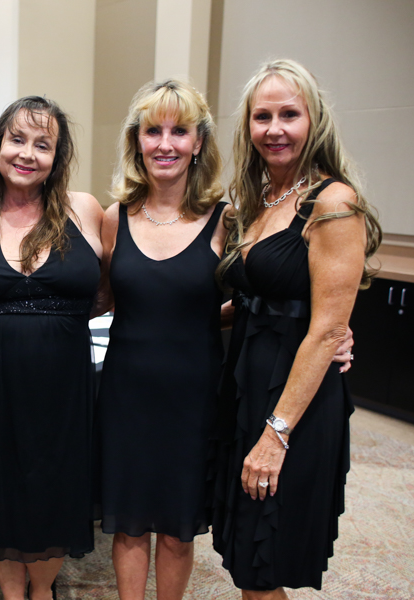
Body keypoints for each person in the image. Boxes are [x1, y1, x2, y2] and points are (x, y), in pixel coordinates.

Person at [211, 59, 381, 597]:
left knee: (264, 564)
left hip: (292, 406)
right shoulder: (259, 199)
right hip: (246, 388)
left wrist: (276, 435)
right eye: (262, 116)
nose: (275, 129)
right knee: (246, 560)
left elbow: (328, 330)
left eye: (289, 114)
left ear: (314, 120)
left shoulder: (332, 202)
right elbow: (256, 303)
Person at [0, 96, 103, 600]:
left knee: (55, 491)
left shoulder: (85, 209)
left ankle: (42, 592)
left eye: (43, 145)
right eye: (17, 139)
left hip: (63, 387)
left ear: (57, 157)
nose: (27, 154)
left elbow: (113, 289)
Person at [96, 80, 228, 600]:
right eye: (153, 131)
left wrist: (332, 328)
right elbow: (103, 299)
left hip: (193, 397)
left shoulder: (226, 220)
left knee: (176, 527)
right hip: (126, 394)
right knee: (129, 523)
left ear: (199, 142)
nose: (166, 144)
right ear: (137, 140)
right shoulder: (114, 218)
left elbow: (254, 300)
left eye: (180, 131)